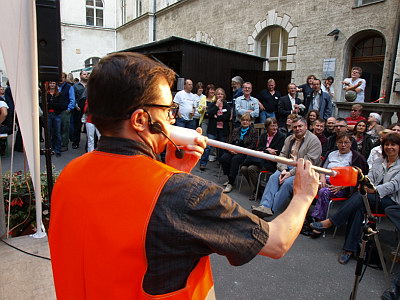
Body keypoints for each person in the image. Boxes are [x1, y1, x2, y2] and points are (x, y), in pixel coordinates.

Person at [49, 52, 320, 298]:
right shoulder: (184, 193)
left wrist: (173, 172)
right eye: (167, 111)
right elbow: (276, 241)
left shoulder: (70, 174)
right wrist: (303, 195)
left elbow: (122, 238)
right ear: (141, 120)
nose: (172, 119)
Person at [311, 132, 400, 264]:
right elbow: (369, 178)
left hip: (390, 202)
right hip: (371, 198)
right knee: (358, 206)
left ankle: (331, 222)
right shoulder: (378, 162)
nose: (389, 147)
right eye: (387, 144)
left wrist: (373, 189)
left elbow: (394, 185)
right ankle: (349, 250)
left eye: (393, 144)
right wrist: (367, 186)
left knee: (360, 197)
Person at [252, 117, 322, 217]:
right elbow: (282, 155)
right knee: (273, 178)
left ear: (306, 126)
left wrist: (290, 173)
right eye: (295, 127)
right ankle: (264, 206)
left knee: (287, 183)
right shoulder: (289, 139)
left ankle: (271, 210)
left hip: (304, 170)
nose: (297, 129)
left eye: (300, 126)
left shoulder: (314, 141)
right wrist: (284, 169)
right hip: (287, 166)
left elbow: (308, 162)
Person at [309, 132, 368, 238]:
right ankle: (303, 218)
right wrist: (322, 178)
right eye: (340, 142)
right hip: (326, 181)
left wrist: (342, 186)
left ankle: (320, 222)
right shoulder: (331, 154)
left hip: (344, 186)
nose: (343, 145)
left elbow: (358, 178)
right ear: (336, 143)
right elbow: (323, 169)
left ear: (351, 143)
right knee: (307, 185)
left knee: (324, 192)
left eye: (346, 142)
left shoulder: (355, 157)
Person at [241, 117, 285, 201]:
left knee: (251, 169)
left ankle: (256, 192)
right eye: (272, 126)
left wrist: (264, 150)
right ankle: (257, 189)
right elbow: (259, 149)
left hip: (271, 162)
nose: (275, 128)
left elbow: (277, 151)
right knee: (243, 168)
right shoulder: (263, 136)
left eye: (276, 125)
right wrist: (267, 150)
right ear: (267, 127)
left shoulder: (281, 136)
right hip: (260, 160)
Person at [220, 112, 257, 193]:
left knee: (235, 160)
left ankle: (231, 183)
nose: (245, 122)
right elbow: (229, 142)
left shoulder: (253, 131)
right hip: (232, 150)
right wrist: (230, 150)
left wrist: (239, 151)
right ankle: (230, 177)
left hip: (244, 153)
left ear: (250, 122)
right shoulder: (236, 130)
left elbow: (253, 146)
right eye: (243, 120)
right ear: (241, 121)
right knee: (224, 158)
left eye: (247, 120)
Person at [199, 88, 231, 170]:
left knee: (222, 148)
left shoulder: (226, 105)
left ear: (224, 95)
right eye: (218, 94)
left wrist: (216, 117)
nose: (220, 95)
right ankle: (203, 163)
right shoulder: (212, 104)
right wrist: (216, 106)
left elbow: (227, 117)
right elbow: (209, 114)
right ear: (215, 96)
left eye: (221, 94)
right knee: (208, 147)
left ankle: (222, 164)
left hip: (223, 130)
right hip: (212, 130)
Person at [46, 81, 68, 157]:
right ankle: (49, 149)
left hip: (57, 115)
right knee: (48, 133)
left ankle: (57, 149)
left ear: (56, 85)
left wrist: (51, 104)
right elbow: (43, 104)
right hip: (48, 115)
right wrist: (52, 105)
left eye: (53, 83)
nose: (52, 85)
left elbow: (61, 105)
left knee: (57, 133)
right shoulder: (46, 94)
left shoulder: (59, 94)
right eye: (51, 83)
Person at [71, 71, 89, 149]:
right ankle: (76, 142)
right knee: (77, 126)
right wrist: (76, 106)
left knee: (89, 127)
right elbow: (73, 96)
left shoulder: (91, 85)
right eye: (84, 74)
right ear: (80, 75)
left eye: (87, 74)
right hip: (79, 108)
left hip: (88, 109)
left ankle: (88, 145)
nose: (86, 75)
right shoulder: (75, 86)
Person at [58, 72, 76, 151]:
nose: (61, 79)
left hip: (65, 111)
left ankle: (64, 145)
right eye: (60, 77)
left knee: (65, 128)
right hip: (56, 111)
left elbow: (72, 99)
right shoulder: (54, 86)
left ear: (65, 78)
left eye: (62, 77)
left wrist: (69, 109)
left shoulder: (69, 87)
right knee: (56, 128)